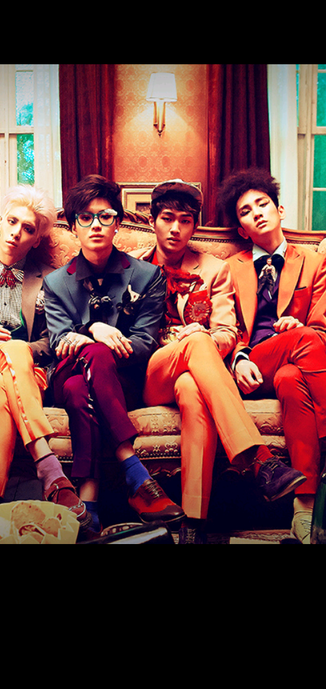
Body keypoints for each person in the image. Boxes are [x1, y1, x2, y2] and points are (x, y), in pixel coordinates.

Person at [138, 179, 304, 543]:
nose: (176, 228)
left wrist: (203, 337)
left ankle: (193, 525)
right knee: (197, 341)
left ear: (195, 226)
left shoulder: (214, 268)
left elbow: (227, 331)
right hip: (152, 375)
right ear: (153, 221)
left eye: (185, 221)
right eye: (168, 218)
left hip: (196, 369)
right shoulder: (131, 267)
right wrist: (188, 339)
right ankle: (258, 457)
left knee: (193, 388)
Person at [43, 174, 184, 535]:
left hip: (122, 382)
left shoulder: (147, 275)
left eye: (105, 216)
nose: (96, 225)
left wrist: (90, 338)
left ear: (117, 223)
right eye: (85, 217)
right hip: (67, 371)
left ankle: (88, 506)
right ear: (73, 226)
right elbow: (59, 341)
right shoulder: (56, 282)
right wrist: (94, 329)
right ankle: (134, 471)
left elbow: (144, 344)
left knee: (79, 388)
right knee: (87, 358)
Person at [0, 184, 90, 529]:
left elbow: (51, 341)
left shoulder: (49, 280)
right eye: (12, 222)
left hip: (27, 374)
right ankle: (48, 467)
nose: (16, 233)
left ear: (36, 239)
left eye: (27, 228)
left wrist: (18, 348)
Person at [218, 167, 326, 543]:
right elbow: (225, 326)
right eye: (246, 212)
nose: (257, 213)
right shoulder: (230, 268)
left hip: (297, 361)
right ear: (242, 230)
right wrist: (238, 358)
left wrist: (299, 325)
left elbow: (321, 327)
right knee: (304, 341)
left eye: (262, 204)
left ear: (280, 210)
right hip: (250, 365)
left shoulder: (313, 261)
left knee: (291, 379)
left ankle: (304, 510)